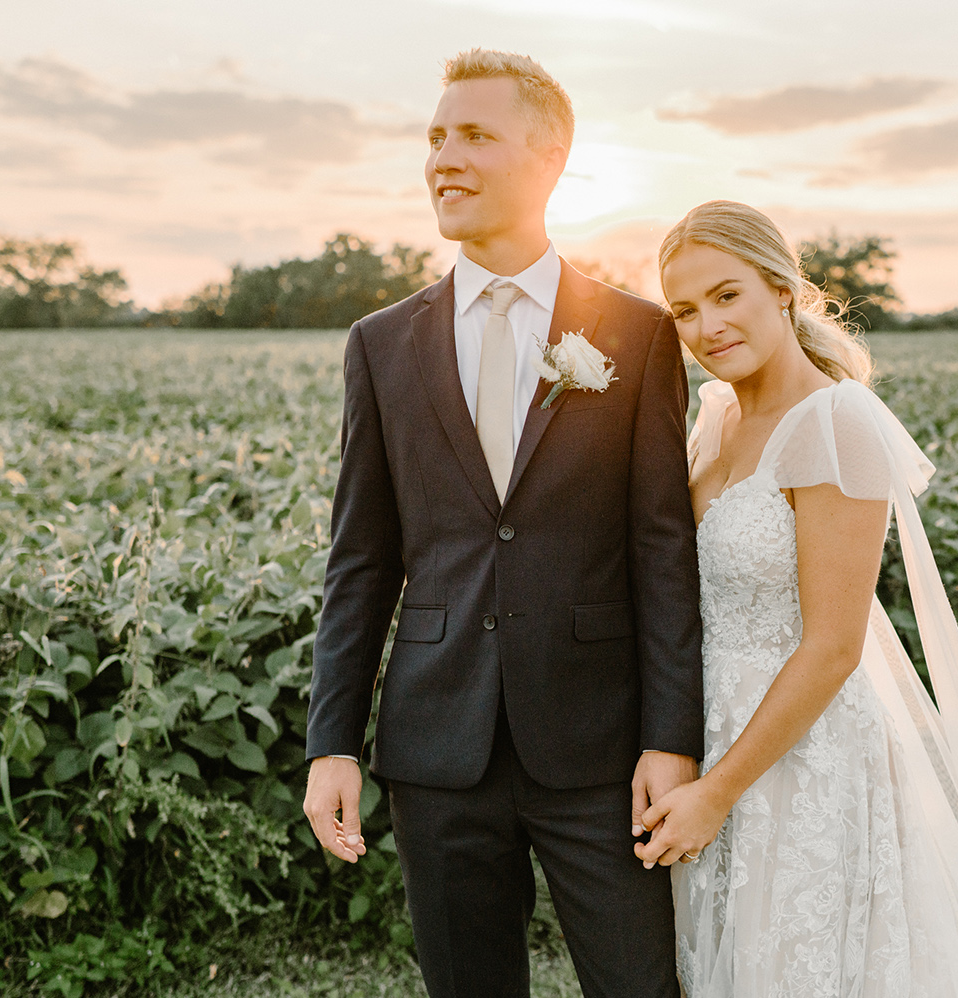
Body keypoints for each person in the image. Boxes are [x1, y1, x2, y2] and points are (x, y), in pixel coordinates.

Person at [301, 51, 704, 998]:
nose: (446, 156)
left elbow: (661, 548)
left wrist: (671, 734)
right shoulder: (381, 343)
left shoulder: (635, 336)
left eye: (475, 134)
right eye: (436, 137)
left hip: (602, 746)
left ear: (551, 154)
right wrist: (333, 743)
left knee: (642, 985)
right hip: (437, 743)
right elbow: (360, 560)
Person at [639, 200, 958, 997]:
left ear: (782, 290)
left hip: (798, 755)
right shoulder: (714, 418)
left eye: (728, 294)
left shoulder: (833, 421)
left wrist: (718, 792)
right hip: (708, 731)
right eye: (684, 310)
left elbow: (833, 648)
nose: (707, 325)